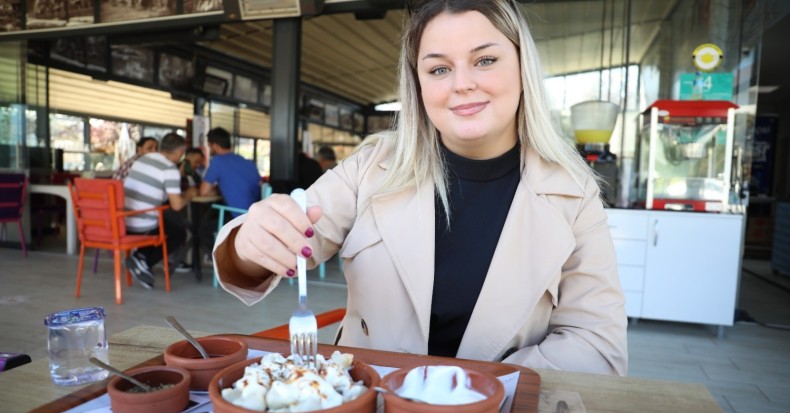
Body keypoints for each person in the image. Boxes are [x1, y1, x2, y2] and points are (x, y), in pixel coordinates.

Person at [212, 0, 628, 375]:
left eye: (484, 60)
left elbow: (597, 344)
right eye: (439, 69)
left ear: (522, 68)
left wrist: (463, 392)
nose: (461, 83)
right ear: (419, 85)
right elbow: (263, 257)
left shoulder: (573, 193)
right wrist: (253, 242)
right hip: (368, 408)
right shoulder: (373, 166)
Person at [123, 132, 197, 289]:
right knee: (178, 232)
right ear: (179, 152)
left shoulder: (142, 160)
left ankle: (141, 259)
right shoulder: (170, 169)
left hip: (123, 220)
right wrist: (190, 193)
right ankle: (143, 261)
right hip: (142, 226)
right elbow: (177, 205)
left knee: (165, 219)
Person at [197, 127, 261, 262]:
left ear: (214, 145)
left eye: (209, 146)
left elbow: (203, 191)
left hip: (237, 216)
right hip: (255, 215)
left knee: (202, 230)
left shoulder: (218, 161)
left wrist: (216, 187)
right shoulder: (248, 162)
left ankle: (222, 261)